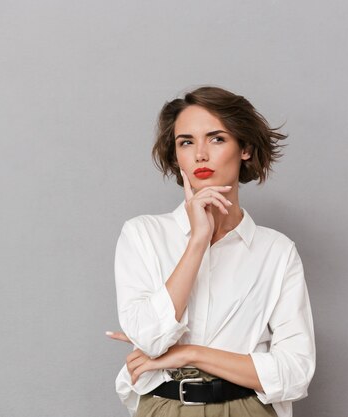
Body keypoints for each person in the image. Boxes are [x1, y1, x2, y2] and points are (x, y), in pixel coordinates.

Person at [106, 86, 315, 417]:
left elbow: (295, 372)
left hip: (246, 409)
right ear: (176, 155)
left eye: (216, 139)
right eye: (186, 142)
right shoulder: (143, 234)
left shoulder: (276, 251)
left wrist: (190, 354)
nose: (200, 154)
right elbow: (149, 339)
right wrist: (197, 241)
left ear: (244, 148)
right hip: (164, 407)